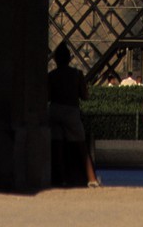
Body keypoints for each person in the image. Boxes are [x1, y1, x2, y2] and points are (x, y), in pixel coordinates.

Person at [47, 43, 100, 189]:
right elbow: (85, 96)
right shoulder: (77, 74)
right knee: (81, 147)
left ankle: (61, 179)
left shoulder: (51, 75)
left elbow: (47, 96)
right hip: (71, 110)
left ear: (56, 59)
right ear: (69, 59)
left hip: (55, 109)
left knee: (57, 146)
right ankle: (92, 179)